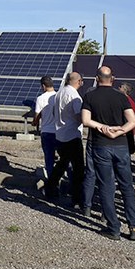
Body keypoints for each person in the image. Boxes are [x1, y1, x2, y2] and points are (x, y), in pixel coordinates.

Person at [81, 66, 135, 241]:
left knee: (106, 186)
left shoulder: (90, 96)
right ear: (112, 79)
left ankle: (114, 227)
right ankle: (134, 227)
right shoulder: (121, 97)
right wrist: (119, 131)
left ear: (97, 78)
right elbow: (132, 121)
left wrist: (102, 128)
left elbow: (85, 121)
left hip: (101, 145)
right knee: (127, 186)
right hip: (121, 146)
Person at [44, 72, 85, 208]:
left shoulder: (59, 94)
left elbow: (55, 113)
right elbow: (80, 116)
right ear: (79, 81)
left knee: (61, 164)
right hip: (72, 135)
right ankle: (77, 198)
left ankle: (50, 188)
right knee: (78, 169)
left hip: (60, 134)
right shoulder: (74, 96)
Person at [32, 76, 57, 179]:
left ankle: (52, 182)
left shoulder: (40, 98)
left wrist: (34, 123)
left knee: (49, 158)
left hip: (46, 132)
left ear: (43, 86)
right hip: (59, 131)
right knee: (64, 158)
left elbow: (37, 116)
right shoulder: (58, 96)